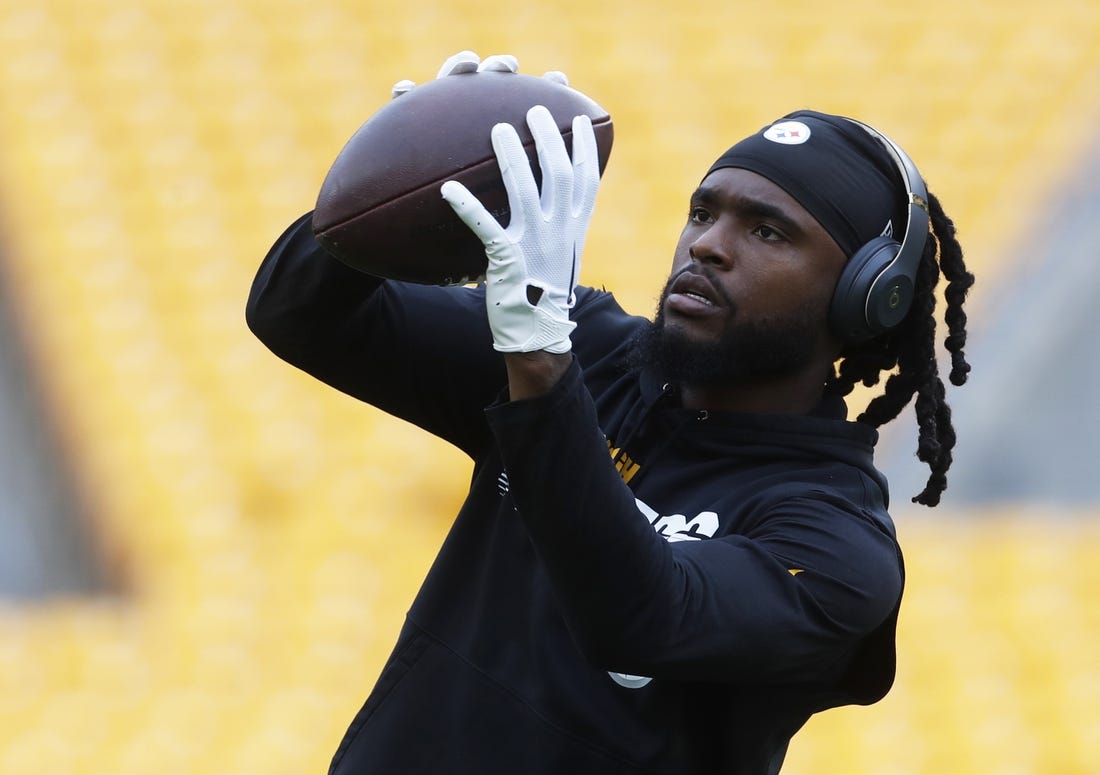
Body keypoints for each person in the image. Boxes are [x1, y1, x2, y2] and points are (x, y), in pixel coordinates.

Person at [246, 51, 974, 775]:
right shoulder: (588, 350)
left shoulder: (836, 541)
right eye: (702, 211)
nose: (708, 245)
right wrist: (409, 186)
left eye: (768, 231)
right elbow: (296, 313)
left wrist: (539, 360)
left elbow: (641, 616)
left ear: (866, 295)